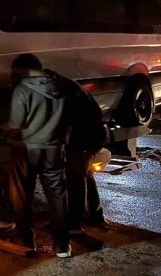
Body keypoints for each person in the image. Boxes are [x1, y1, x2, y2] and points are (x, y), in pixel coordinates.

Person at [3, 53, 71, 258]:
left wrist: (1, 126)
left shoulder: (22, 89)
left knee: (22, 195)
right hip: (55, 148)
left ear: (22, 69)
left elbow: (16, 123)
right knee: (57, 196)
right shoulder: (60, 86)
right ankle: (62, 247)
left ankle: (27, 242)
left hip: (27, 149)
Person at [45, 70, 109, 234]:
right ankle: (95, 215)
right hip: (93, 134)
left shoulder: (59, 91)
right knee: (85, 175)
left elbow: (59, 119)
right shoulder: (65, 84)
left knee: (76, 178)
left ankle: (74, 224)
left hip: (85, 137)